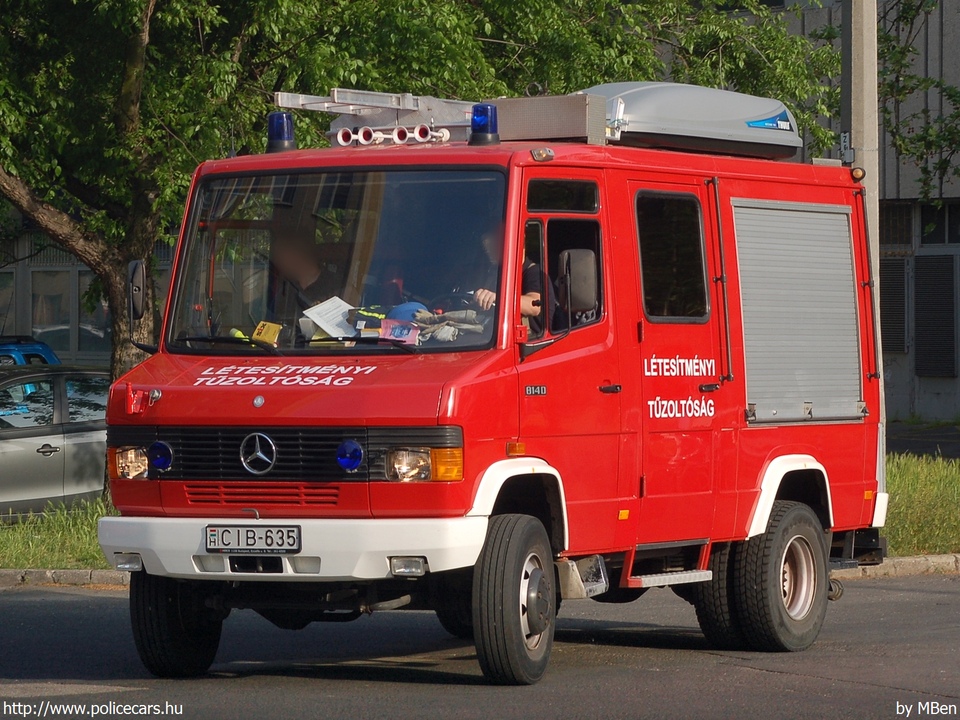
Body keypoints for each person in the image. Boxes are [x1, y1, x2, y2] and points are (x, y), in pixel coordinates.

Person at [472, 228, 550, 336]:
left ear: (518, 240)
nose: (490, 249)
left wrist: (498, 298)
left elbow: (534, 305)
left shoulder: (534, 272)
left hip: (529, 345)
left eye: (497, 242)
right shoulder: (496, 274)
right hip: (492, 336)